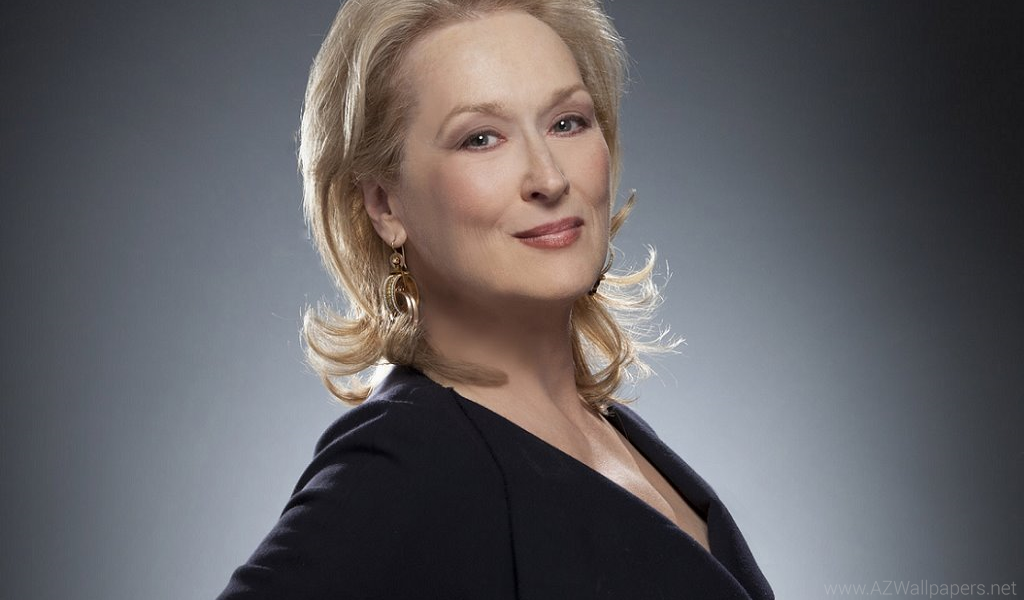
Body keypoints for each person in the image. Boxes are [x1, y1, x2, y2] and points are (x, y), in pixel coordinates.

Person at [218, 0, 773, 598]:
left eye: (567, 123)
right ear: (384, 204)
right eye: (481, 138)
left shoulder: (615, 432)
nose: (550, 178)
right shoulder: (409, 459)